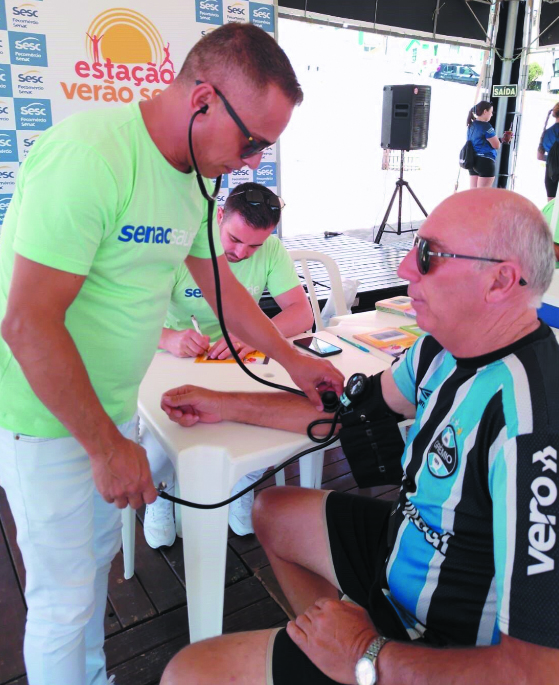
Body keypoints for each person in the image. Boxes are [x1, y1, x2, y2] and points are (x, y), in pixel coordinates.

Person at [0, 23, 345, 685]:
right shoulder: (92, 156)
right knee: (61, 602)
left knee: (88, 578)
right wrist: (105, 445)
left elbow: (217, 280)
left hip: (108, 406)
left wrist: (291, 357)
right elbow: (28, 324)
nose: (250, 162)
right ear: (203, 99)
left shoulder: (191, 174)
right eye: (252, 141)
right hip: (45, 418)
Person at [159, 188, 559, 685]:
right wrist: (224, 405)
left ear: (499, 280)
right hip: (408, 551)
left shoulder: (540, 430)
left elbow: (557, 674)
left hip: (450, 641)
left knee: (188, 673)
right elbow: (346, 414)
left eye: (429, 255)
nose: (404, 269)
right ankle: (342, 656)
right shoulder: (441, 348)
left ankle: (366, 666)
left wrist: (368, 655)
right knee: (273, 511)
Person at [144, 181, 313, 545]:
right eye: (235, 239)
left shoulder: (270, 249)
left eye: (255, 244)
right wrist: (170, 338)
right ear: (219, 216)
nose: (243, 252)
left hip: (239, 361)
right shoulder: (184, 244)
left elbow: (302, 314)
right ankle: (163, 490)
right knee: (167, 425)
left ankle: (244, 481)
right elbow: (132, 315)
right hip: (175, 356)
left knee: (278, 411)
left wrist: (253, 334)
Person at [466, 101, 512, 189]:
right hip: (485, 162)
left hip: (472, 161)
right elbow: (496, 145)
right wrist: (504, 140)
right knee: (483, 195)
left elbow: (481, 141)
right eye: (491, 112)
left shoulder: (471, 125)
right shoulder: (486, 126)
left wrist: (501, 139)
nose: (491, 115)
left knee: (473, 194)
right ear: (485, 112)